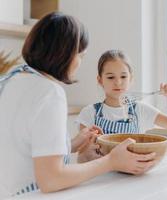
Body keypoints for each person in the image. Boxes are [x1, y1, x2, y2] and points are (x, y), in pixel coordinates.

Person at [0, 12, 156, 199]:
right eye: (81, 55)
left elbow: (24, 146)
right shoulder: (50, 93)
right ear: (65, 54)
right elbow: (51, 179)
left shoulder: (10, 80)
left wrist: (72, 144)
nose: (79, 63)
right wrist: (111, 162)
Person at [76, 50, 167, 137]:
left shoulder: (140, 110)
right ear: (100, 80)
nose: (118, 82)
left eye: (123, 76)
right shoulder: (89, 113)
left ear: (131, 79)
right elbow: (83, 156)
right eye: (110, 77)